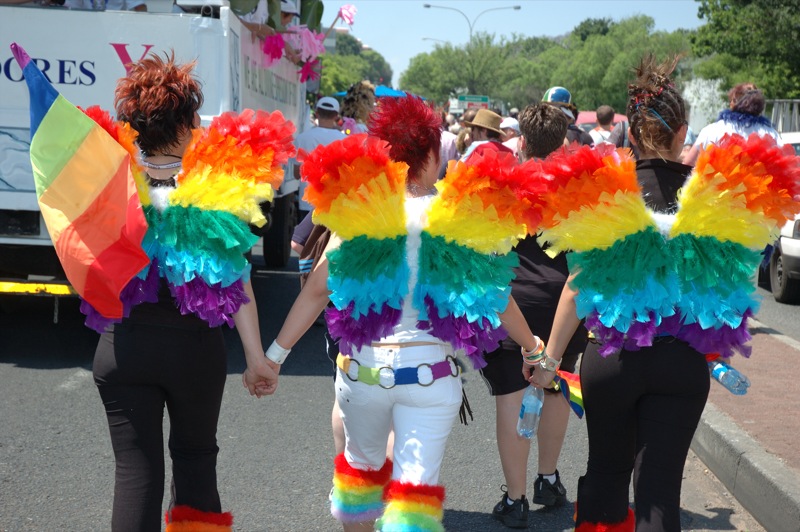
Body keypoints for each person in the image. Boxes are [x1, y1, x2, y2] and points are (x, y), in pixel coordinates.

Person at [526, 55, 800, 532]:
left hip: (611, 358)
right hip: (681, 362)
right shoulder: (716, 199)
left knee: (606, 477)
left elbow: (575, 285)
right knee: (659, 493)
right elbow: (733, 282)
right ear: (683, 134)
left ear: (631, 134)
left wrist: (549, 361)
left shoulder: (605, 195)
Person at [256, 96, 543, 532]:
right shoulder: (455, 216)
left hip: (361, 375)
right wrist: (533, 348)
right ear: (430, 155)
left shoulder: (364, 212)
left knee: (360, 481)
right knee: (413, 498)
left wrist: (273, 357)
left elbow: (317, 288)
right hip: (430, 376)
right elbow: (497, 298)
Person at [91, 53, 279, 531]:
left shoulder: (111, 184)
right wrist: (257, 358)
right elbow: (237, 282)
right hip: (194, 352)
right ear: (185, 122)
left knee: (135, 474)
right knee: (196, 461)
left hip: (122, 346)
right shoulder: (215, 190)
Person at [482, 102, 587, 529]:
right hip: (565, 302)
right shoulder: (576, 188)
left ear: (521, 141)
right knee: (558, 382)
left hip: (515, 304)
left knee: (511, 392)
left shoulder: (501, 186)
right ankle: (548, 477)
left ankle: (516, 498)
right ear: (563, 142)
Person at [682, 81, 782, 166]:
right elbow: (784, 171)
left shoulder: (713, 130)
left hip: (717, 188)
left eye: (731, 100)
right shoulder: (771, 135)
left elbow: (688, 164)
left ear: (734, 102)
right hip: (760, 188)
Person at [293, 96, 346, 220]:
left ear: (316, 113)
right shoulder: (344, 140)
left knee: (306, 239)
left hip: (308, 203)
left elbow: (297, 174)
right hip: (334, 203)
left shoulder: (302, 138)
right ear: (336, 116)